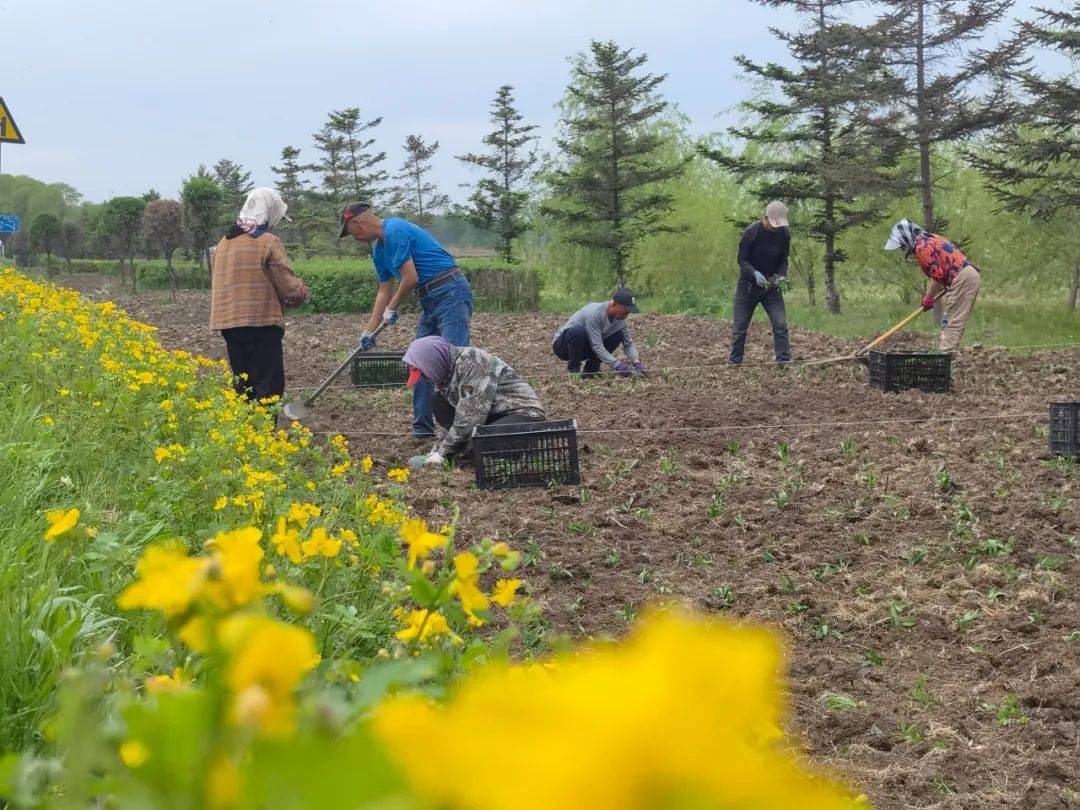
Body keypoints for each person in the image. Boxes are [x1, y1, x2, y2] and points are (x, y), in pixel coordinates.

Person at [339, 203, 473, 438]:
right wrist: (368, 332)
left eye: (352, 232)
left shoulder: (395, 230)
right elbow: (384, 290)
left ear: (357, 222)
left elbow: (410, 278)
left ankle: (461, 431)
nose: (356, 238)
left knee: (454, 360)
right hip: (429, 299)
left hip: (450, 290)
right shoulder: (379, 252)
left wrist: (392, 308)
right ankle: (422, 429)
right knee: (420, 362)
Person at [209, 188, 308, 402]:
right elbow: (288, 286)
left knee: (244, 383)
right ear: (269, 211)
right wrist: (300, 292)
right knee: (268, 384)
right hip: (261, 323)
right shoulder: (267, 241)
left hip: (229, 324)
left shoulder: (223, 243)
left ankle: (247, 431)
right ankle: (265, 431)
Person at [403, 336, 546, 468]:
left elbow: (469, 419)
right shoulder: (444, 374)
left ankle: (523, 446)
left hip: (520, 414)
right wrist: (436, 450)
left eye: (425, 375)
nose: (427, 379)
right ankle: (463, 452)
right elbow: (446, 424)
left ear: (433, 364)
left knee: (480, 445)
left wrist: (442, 453)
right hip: (488, 415)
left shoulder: (473, 362)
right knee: (437, 399)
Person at [885, 220, 981, 353]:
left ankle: (945, 354)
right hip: (966, 275)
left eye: (902, 245)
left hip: (962, 277)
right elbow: (943, 269)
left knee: (952, 322)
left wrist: (928, 297)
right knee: (953, 319)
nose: (903, 249)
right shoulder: (929, 239)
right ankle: (950, 352)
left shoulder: (922, 248)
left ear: (907, 239)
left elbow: (936, 276)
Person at [730, 201, 791, 366]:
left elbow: (783, 260)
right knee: (739, 327)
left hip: (771, 286)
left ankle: (783, 363)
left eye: (779, 224)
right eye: (773, 223)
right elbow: (741, 259)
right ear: (766, 218)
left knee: (780, 324)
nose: (775, 227)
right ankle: (735, 363)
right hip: (748, 287)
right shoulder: (751, 233)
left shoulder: (784, 234)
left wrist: (782, 276)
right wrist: (754, 273)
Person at [552, 288, 647, 377]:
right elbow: (597, 346)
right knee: (578, 331)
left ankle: (591, 371)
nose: (627, 314)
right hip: (563, 347)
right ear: (614, 304)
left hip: (585, 346)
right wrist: (618, 366)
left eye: (629, 311)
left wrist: (636, 362)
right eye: (625, 310)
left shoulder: (621, 320)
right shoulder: (593, 313)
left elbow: (628, 344)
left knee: (618, 335)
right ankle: (575, 371)